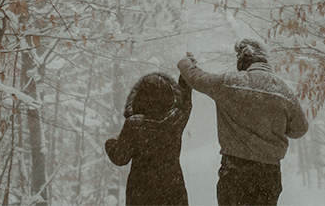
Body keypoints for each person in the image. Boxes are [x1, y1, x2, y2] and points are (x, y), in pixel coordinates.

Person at [178, 39, 308, 206]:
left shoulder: (230, 83)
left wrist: (185, 62)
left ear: (243, 59)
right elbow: (300, 130)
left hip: (235, 170)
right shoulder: (284, 91)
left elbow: (197, 78)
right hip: (269, 173)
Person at [105, 71, 192, 206]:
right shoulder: (175, 119)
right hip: (172, 187)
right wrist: (185, 77)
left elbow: (120, 158)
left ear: (140, 97)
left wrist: (110, 142)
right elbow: (186, 103)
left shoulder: (134, 125)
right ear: (167, 95)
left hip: (141, 191)